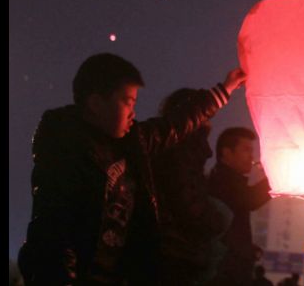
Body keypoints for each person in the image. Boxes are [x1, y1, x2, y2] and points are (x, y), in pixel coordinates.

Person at [17, 52, 246, 285]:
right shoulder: (65, 152)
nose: (133, 113)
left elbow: (175, 124)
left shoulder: (133, 141)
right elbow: (54, 230)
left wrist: (225, 89)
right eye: (127, 102)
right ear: (96, 103)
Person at [154, 80, 247, 285]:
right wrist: (215, 222)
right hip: (180, 256)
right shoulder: (181, 155)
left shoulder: (177, 152)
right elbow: (186, 201)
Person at [206, 127, 273, 286]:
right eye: (246, 150)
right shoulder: (222, 181)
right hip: (225, 271)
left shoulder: (225, 179)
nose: (251, 156)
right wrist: (276, 176)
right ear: (227, 153)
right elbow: (249, 200)